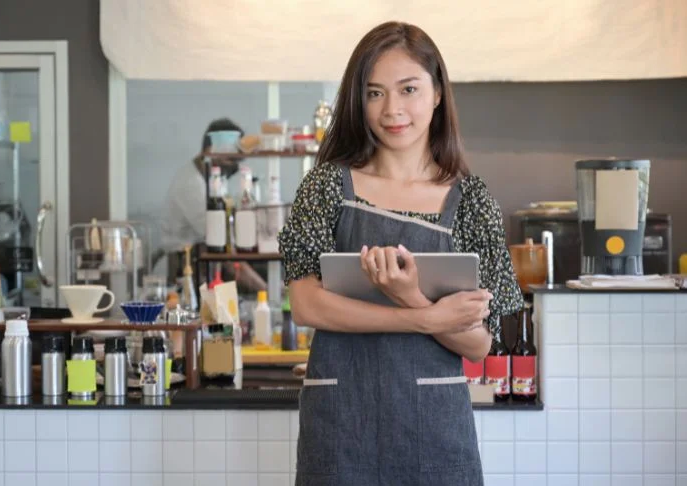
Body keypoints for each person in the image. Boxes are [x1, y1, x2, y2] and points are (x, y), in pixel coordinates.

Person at [278, 21, 523, 485]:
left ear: (436, 93)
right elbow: (307, 305)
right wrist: (426, 318)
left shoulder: (471, 201)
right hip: (340, 425)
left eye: (408, 89)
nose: (392, 109)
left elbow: (479, 343)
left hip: (434, 429)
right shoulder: (327, 186)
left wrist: (410, 296)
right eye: (374, 93)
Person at [161, 118, 266, 292]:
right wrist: (265, 290)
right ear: (211, 150)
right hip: (186, 268)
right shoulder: (191, 184)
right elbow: (220, 242)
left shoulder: (210, 180)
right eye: (231, 158)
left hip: (202, 263)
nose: (234, 165)